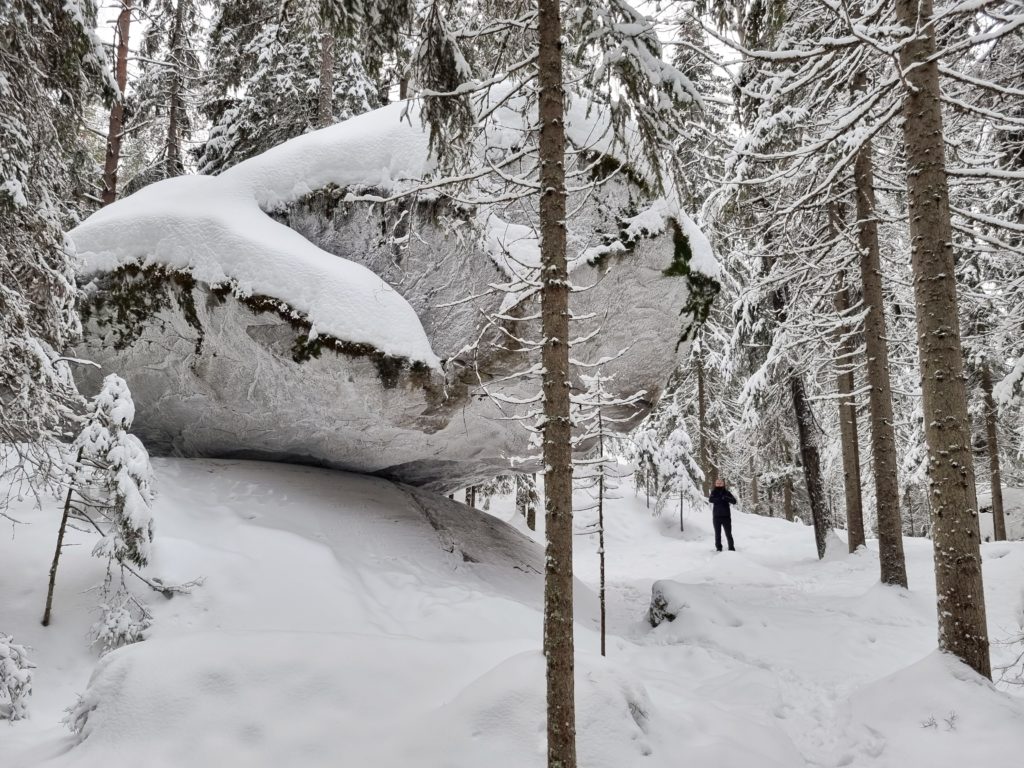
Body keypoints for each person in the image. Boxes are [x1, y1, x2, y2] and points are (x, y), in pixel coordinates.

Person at [708, 478, 737, 552]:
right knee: (717, 534)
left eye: (720, 483)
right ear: (715, 484)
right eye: (717, 483)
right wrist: (719, 499)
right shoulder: (713, 492)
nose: (719, 484)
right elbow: (710, 499)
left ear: (723, 484)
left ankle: (731, 548)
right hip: (716, 517)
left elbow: (734, 501)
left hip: (726, 517)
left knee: (728, 534)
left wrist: (726, 498)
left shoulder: (727, 492)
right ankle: (719, 548)